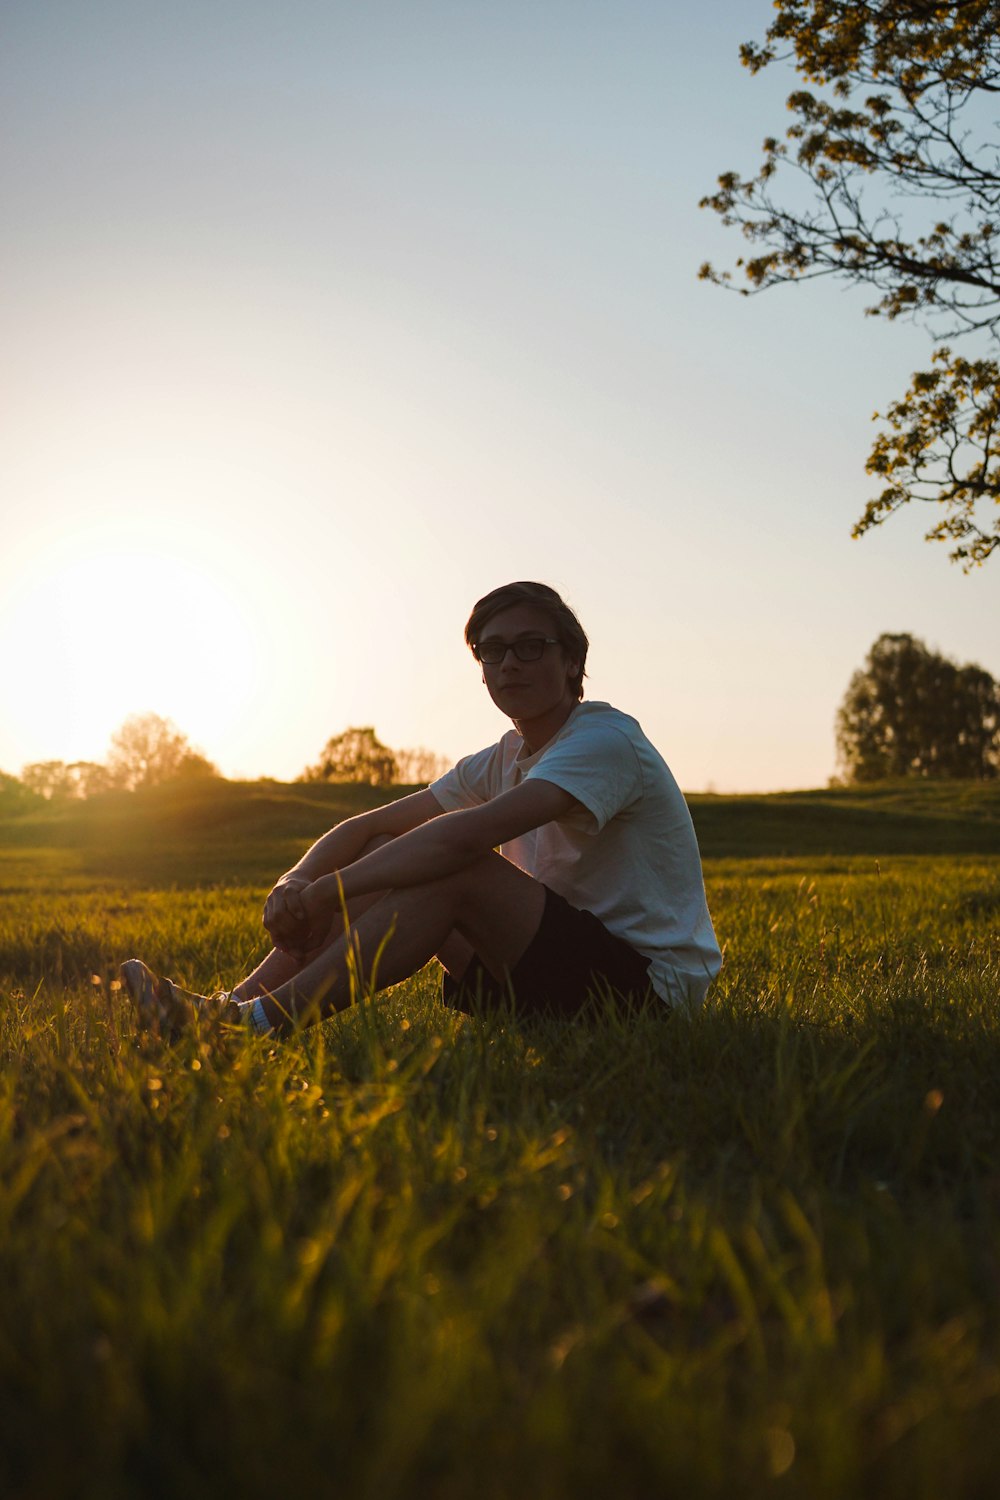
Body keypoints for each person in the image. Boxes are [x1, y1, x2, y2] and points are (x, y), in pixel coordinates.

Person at [121, 582, 721, 1036]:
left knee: (453, 867)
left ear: (572, 662)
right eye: (493, 651)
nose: (509, 662)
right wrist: (297, 879)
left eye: (531, 647)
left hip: (646, 995)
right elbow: (368, 827)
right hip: (549, 976)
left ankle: (255, 1026)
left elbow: (464, 840)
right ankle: (221, 1016)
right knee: (386, 853)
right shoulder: (505, 755)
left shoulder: (604, 741)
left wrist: (327, 892)